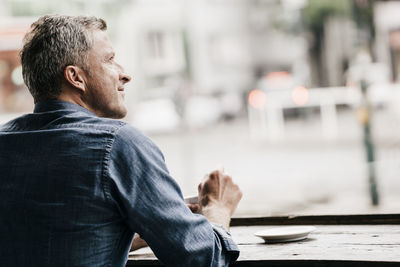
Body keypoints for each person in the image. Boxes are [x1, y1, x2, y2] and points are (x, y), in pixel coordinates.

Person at [0, 15, 242, 266]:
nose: (125, 75)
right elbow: (203, 258)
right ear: (76, 77)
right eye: (110, 60)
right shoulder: (117, 144)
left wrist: (138, 226)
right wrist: (217, 209)